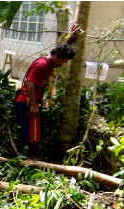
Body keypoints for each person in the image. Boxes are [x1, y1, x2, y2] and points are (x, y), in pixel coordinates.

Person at [15, 24, 81, 154]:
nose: (61, 64)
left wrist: (70, 39)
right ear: (56, 55)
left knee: (28, 130)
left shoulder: (50, 62)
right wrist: (33, 105)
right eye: (62, 61)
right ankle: (32, 160)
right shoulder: (42, 64)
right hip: (27, 101)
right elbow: (29, 83)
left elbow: (60, 51)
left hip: (29, 101)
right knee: (34, 133)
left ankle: (25, 156)